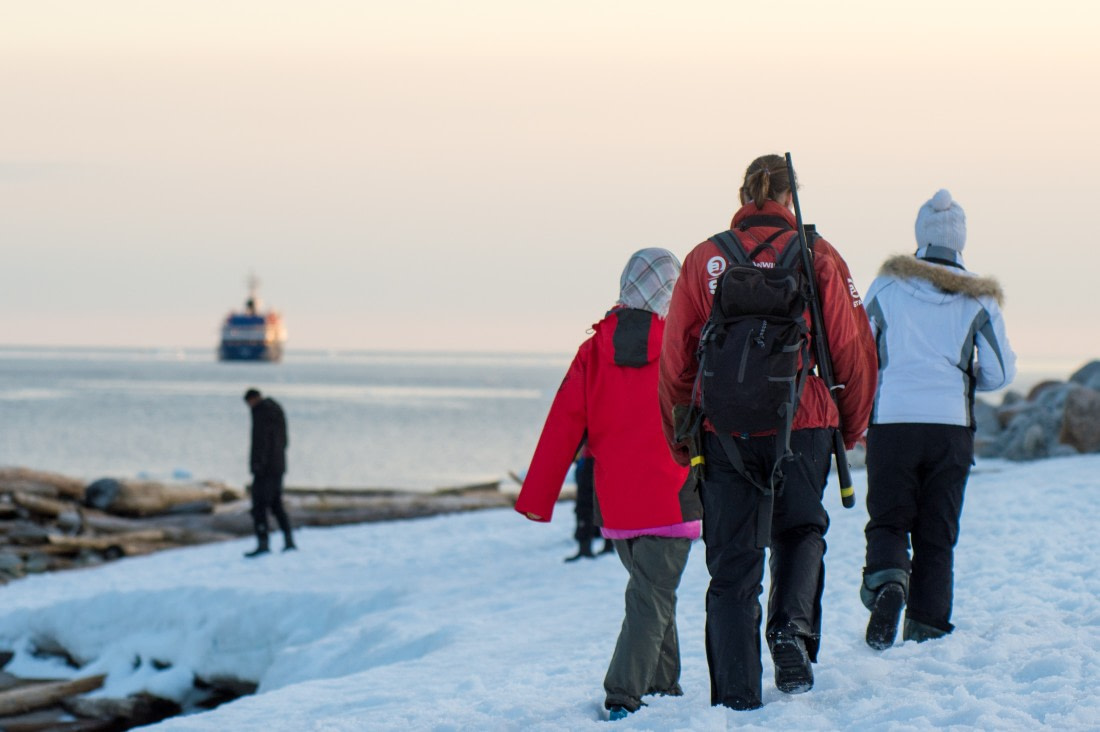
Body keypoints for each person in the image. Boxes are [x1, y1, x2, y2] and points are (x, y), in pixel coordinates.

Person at [658, 154, 876, 711]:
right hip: (804, 421)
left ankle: (735, 699)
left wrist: (682, 435)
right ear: (789, 195)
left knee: (732, 565)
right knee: (800, 530)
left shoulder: (704, 258)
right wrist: (849, 425)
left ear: (743, 195)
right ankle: (790, 629)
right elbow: (851, 348)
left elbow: (676, 357)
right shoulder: (818, 254)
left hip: (723, 427)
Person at [515, 248, 702, 721]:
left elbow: (563, 423)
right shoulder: (685, 345)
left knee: (651, 592)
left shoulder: (594, 350)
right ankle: (623, 693)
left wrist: (538, 496)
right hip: (672, 492)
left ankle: (663, 686)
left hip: (616, 502)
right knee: (650, 596)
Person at [860, 189, 1016, 649]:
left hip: (892, 422)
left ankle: (889, 578)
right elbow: (1000, 372)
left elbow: (860, 356)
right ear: (960, 240)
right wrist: (959, 380)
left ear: (920, 236)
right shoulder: (979, 299)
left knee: (889, 519)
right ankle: (927, 627)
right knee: (937, 532)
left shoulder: (886, 286)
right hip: (950, 428)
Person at [243, 388, 295, 557]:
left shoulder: (261, 412)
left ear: (253, 399)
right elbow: (284, 440)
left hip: (265, 469)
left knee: (259, 506)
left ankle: (263, 543)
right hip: (278, 465)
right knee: (276, 504)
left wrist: (258, 464)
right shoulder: (276, 409)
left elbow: (261, 441)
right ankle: (288, 540)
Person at [565, 447, 614, 562]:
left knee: (585, 506)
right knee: (606, 503)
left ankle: (585, 548)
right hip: (605, 458)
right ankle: (609, 544)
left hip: (591, 459)